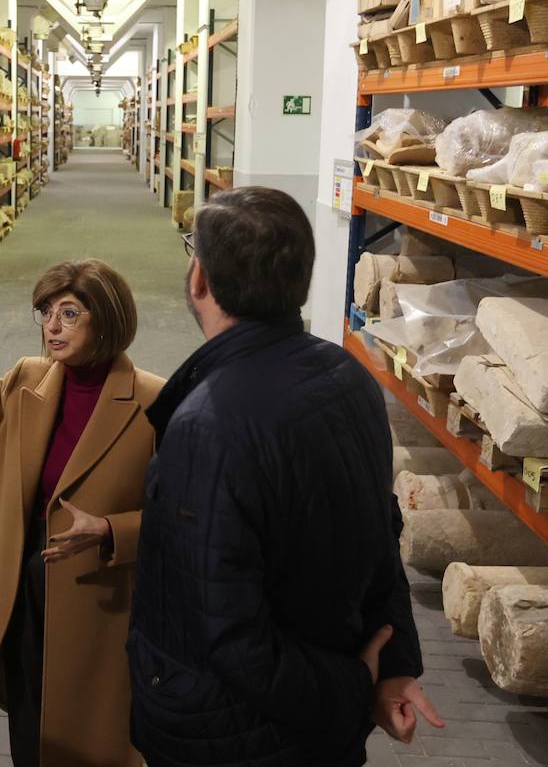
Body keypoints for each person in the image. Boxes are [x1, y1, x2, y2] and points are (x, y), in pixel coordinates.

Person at [128, 187, 444, 766]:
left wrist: (355, 688)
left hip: (235, 737)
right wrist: (393, 666)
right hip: (320, 724)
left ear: (200, 279)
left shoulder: (207, 426)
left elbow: (228, 636)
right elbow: (378, 534)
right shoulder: (347, 377)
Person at [0, 260, 164, 767]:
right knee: (28, 716)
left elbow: (184, 513)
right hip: (21, 582)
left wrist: (114, 530)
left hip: (100, 599)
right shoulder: (28, 380)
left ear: (106, 318)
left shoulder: (153, 401)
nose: (52, 326)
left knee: (91, 729)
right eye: (46, 313)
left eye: (70, 314)